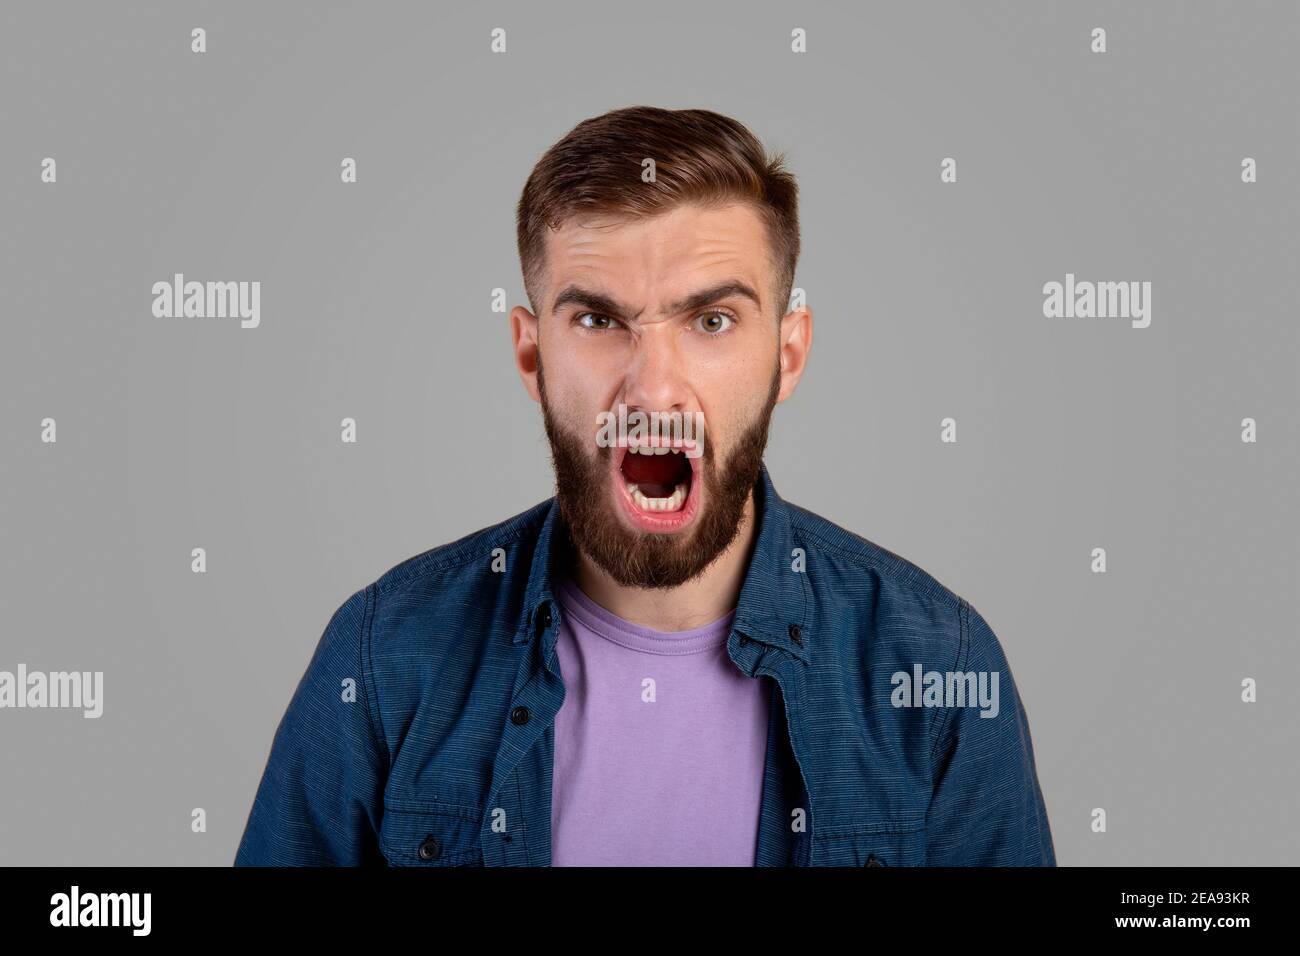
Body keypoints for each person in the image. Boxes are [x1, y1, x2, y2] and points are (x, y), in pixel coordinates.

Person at [234, 106, 1055, 866]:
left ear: (789, 353)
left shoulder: (936, 666)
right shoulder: (385, 657)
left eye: (712, 321)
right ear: (531, 355)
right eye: (598, 321)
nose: (653, 390)